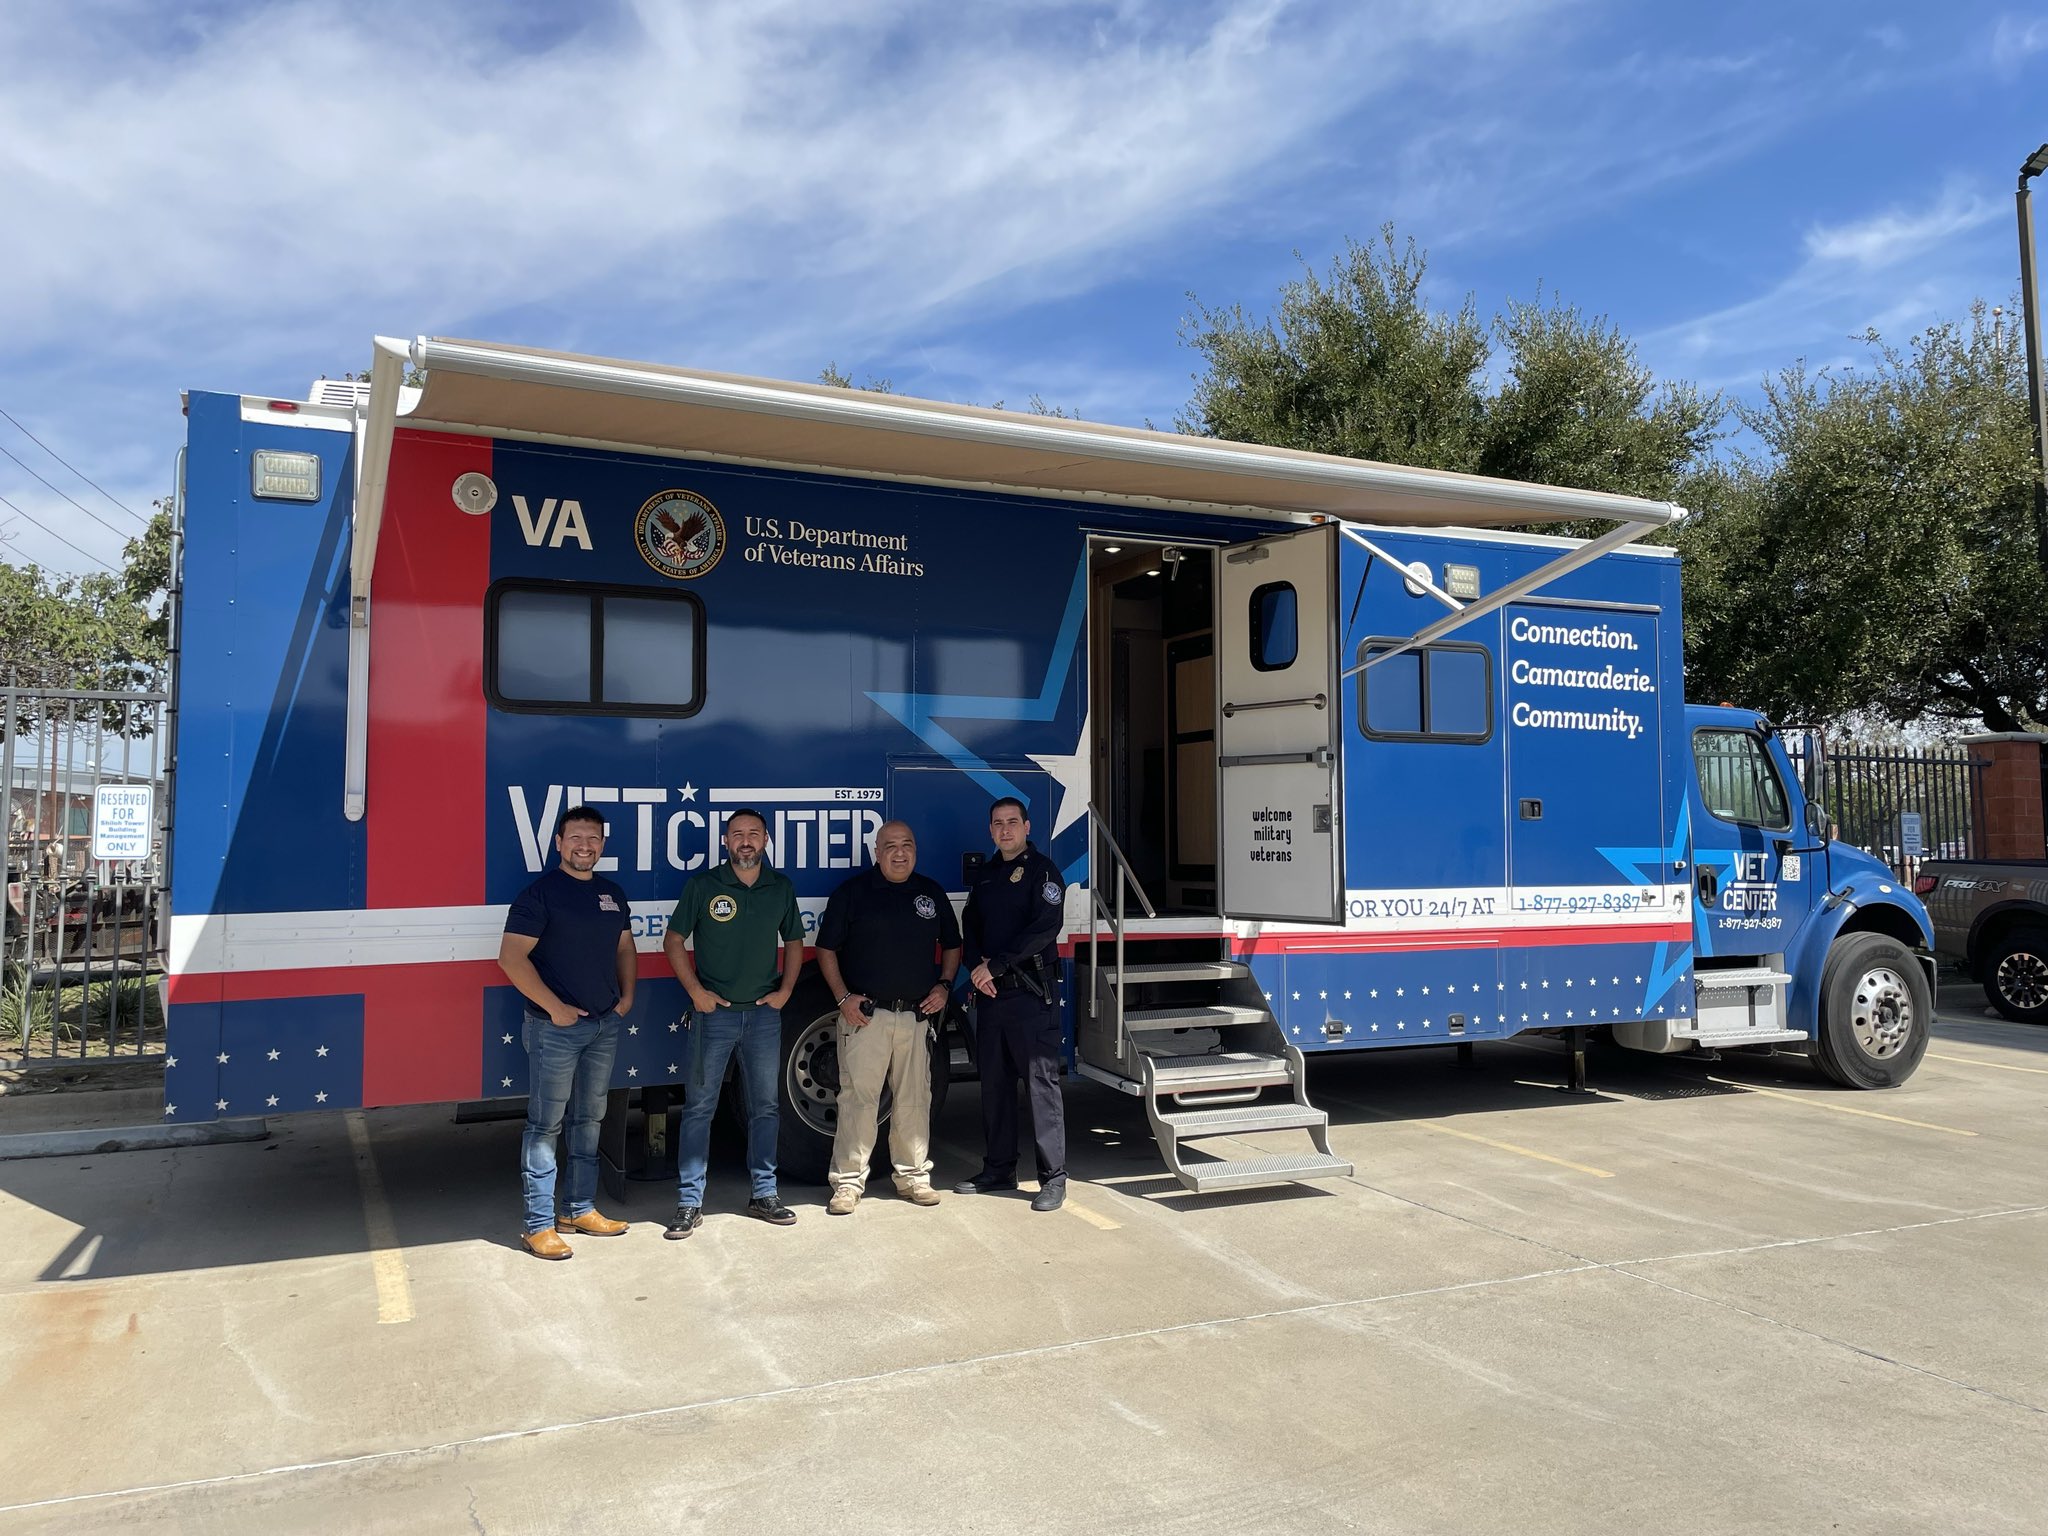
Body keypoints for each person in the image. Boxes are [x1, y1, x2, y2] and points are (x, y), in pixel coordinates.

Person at [497, 805, 636, 1260]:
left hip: (603, 1026)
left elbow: (624, 946)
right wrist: (555, 1009)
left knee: (589, 1121)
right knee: (545, 1125)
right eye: (576, 837)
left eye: (593, 838)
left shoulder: (612, 894)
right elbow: (511, 959)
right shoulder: (539, 895)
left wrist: (626, 997)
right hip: (553, 1030)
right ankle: (538, 1226)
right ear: (558, 843)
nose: (585, 846)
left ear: (603, 845)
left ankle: (577, 1209)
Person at [662, 808, 804, 1237]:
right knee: (699, 1109)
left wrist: (786, 992)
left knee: (766, 1107)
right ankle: (690, 1201)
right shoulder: (703, 885)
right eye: (737, 834)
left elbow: (795, 942)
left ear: (765, 841)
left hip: (763, 1017)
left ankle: (764, 1193)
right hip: (714, 1018)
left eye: (754, 834)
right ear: (726, 842)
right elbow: (673, 940)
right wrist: (696, 993)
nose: (746, 841)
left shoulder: (779, 887)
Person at [816, 820, 962, 1215]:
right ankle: (847, 1184)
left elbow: (952, 944)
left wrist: (944, 985)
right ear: (876, 852)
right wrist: (843, 998)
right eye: (891, 846)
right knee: (858, 1102)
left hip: (916, 1017)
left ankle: (913, 1177)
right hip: (866, 1018)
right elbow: (825, 949)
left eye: (908, 845)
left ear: (916, 850)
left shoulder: (929, 893)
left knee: (915, 1100)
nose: (900, 853)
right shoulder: (853, 893)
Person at [954, 796, 1069, 1211]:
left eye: (1012, 823)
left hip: (1030, 995)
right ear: (990, 830)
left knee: (1040, 1087)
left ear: (1027, 826)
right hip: (992, 996)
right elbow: (972, 928)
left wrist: (997, 965)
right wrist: (976, 967)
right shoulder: (985, 877)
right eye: (998, 824)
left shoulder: (1043, 872)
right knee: (995, 1086)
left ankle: (1053, 1178)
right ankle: (999, 1169)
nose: (1005, 830)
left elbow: (1046, 927)